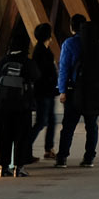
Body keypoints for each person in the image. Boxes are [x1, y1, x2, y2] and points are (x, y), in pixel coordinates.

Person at [56, 15, 99, 168]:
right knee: (91, 125)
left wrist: (62, 90)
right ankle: (89, 158)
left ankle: (62, 158)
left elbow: (64, 68)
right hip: (93, 91)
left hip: (75, 90)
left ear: (72, 27)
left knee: (68, 126)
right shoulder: (96, 43)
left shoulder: (69, 43)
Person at [0, 28, 38, 175]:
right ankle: (20, 167)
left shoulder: (3, 61)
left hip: (3, 105)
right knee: (21, 137)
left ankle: (4, 168)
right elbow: (36, 78)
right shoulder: (27, 63)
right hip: (22, 106)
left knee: (3, 136)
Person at [32, 23, 60, 159]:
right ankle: (26, 146)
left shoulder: (42, 50)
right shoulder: (41, 52)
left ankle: (49, 148)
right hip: (43, 92)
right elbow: (43, 74)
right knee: (42, 121)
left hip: (47, 92)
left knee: (50, 120)